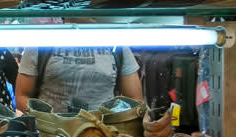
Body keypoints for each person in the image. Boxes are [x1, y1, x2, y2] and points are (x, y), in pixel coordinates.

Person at [15, 46, 143, 113]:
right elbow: (21, 96)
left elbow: (135, 99)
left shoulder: (115, 43)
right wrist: (47, 120)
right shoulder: (42, 42)